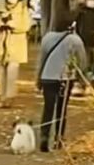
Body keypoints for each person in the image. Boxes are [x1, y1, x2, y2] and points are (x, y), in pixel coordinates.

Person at [36, 13, 87, 151]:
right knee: (61, 109)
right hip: (64, 77)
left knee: (48, 108)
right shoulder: (75, 40)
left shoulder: (47, 37)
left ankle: (44, 137)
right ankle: (58, 138)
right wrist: (82, 78)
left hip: (47, 76)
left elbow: (41, 59)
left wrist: (38, 78)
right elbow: (82, 60)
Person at [0, 0, 31, 105]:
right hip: (2, 44)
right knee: (2, 71)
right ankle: (2, 97)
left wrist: (13, 25)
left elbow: (26, 26)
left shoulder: (23, 8)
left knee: (12, 71)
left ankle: (10, 97)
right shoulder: (0, 7)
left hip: (16, 45)